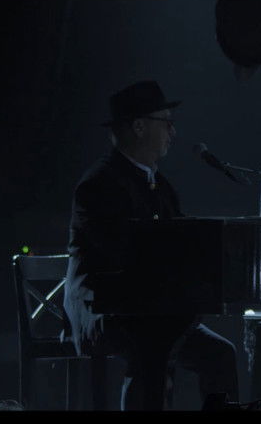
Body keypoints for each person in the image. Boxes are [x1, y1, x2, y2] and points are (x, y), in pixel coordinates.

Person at [63, 80, 238, 410]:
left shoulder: (160, 185)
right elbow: (117, 254)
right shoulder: (99, 183)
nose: (173, 131)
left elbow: (182, 240)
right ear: (139, 127)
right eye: (166, 122)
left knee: (220, 355)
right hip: (101, 310)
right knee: (152, 344)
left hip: (155, 309)